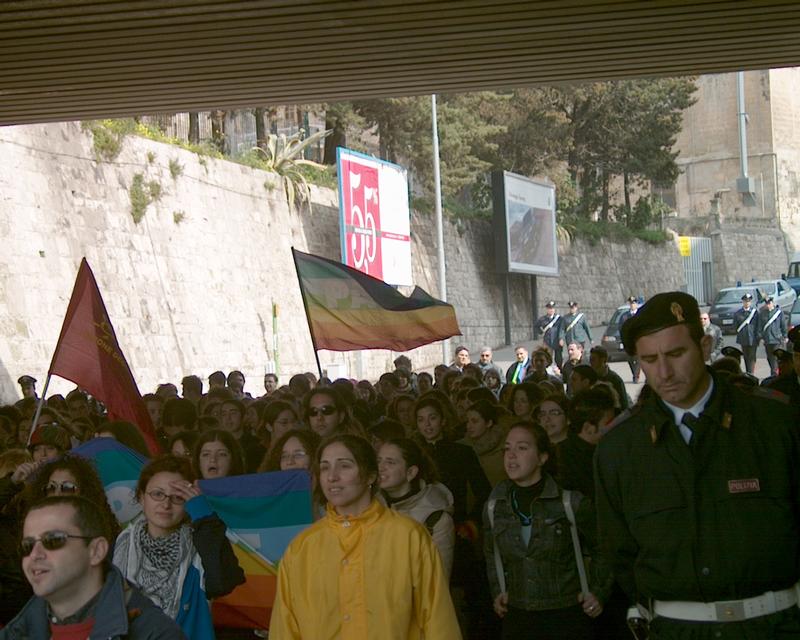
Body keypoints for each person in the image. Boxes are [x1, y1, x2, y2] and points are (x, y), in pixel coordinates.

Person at [595, 291, 800, 637]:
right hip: (677, 630)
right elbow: (619, 552)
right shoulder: (620, 448)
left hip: (775, 626)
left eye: (676, 353)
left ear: (705, 348)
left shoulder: (775, 423)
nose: (664, 372)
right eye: (649, 359)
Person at [269, 434, 461, 638]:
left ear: (371, 475)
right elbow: (285, 627)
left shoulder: (409, 536)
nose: (332, 476)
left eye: (344, 466)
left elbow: (437, 620)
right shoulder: (302, 547)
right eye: (325, 467)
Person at [483, 422, 610, 639]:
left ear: (542, 457)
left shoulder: (570, 503)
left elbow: (604, 548)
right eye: (507, 448)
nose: (511, 455)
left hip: (565, 614)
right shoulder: (496, 506)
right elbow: (491, 553)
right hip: (518, 615)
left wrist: (598, 592)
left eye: (522, 448)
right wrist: (498, 591)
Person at [2, 495, 185, 639]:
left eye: (53, 540)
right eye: (27, 545)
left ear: (96, 551)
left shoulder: (154, 634)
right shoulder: (15, 633)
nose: (35, 554)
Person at [113, 455, 245, 639]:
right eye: (157, 494)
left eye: (177, 498)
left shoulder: (201, 546)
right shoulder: (119, 545)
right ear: (141, 497)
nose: (166, 504)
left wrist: (203, 514)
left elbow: (222, 581)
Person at [378, 438, 456, 578]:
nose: (381, 467)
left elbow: (438, 581)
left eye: (390, 462)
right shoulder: (369, 506)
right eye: (379, 461)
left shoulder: (436, 519)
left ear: (411, 472)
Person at [463, 400, 507, 486]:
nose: (469, 426)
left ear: (489, 423)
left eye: (474, 421)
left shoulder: (505, 448)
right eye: (467, 421)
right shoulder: (462, 447)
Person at [589, 346, 629, 410]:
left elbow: (624, 404)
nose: (590, 362)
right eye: (590, 359)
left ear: (603, 360)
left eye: (593, 359)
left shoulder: (615, 379)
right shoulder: (589, 377)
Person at [759, 295, 788, 377]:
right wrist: (760, 337)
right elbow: (760, 326)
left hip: (776, 339)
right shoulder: (762, 313)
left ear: (773, 303)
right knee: (769, 357)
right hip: (767, 339)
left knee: (775, 358)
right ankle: (774, 371)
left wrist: (785, 336)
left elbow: (783, 325)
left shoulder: (778, 313)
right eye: (767, 304)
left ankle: (774, 373)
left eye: (770, 303)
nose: (768, 305)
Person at [733, 292, 760, 374]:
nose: (747, 303)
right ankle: (748, 372)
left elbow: (758, 325)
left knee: (752, 357)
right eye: (745, 301)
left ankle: (751, 373)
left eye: (748, 301)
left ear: (750, 302)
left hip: (753, 338)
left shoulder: (755, 313)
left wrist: (758, 336)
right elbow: (735, 326)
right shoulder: (738, 313)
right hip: (743, 338)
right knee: (746, 356)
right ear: (743, 302)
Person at [535, 301, 564, 369]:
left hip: (557, 341)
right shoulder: (543, 319)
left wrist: (561, 338)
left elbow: (562, 329)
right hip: (547, 341)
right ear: (547, 309)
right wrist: (540, 332)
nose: (551, 310)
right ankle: (547, 371)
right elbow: (536, 326)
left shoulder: (559, 319)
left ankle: (560, 371)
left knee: (558, 359)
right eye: (549, 308)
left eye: (552, 308)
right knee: (547, 357)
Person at [618, 296, 642, 382]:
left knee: (638, 358)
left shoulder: (641, 314)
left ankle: (636, 376)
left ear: (637, 304)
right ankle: (634, 373)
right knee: (630, 359)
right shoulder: (624, 316)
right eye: (631, 303)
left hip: (639, 340)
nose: (632, 305)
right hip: (628, 340)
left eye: (634, 303)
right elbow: (621, 328)